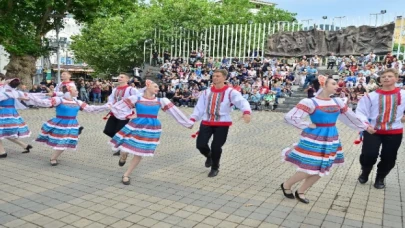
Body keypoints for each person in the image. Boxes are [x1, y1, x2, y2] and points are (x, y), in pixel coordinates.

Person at [281, 75, 371, 204]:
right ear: (323, 85)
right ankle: (286, 185)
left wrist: (365, 127)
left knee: (322, 167)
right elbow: (290, 117)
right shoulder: (309, 102)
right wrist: (306, 124)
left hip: (331, 137)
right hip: (314, 137)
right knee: (310, 167)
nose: (337, 86)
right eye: (334, 84)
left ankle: (301, 191)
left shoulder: (338, 102)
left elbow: (350, 117)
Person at [109, 80, 194, 185]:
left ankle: (126, 174)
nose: (158, 88)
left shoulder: (161, 100)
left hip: (151, 127)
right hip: (136, 125)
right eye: (155, 86)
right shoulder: (137, 98)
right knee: (124, 147)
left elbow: (174, 112)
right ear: (148, 86)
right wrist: (129, 114)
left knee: (139, 152)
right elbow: (118, 107)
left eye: (158, 87)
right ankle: (123, 156)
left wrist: (187, 123)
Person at [190, 69, 252, 177]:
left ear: (224, 78)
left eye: (218, 76)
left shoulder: (231, 92)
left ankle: (215, 167)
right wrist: (193, 119)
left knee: (216, 146)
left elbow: (242, 101)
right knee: (200, 144)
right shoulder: (206, 92)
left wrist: (246, 112)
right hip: (207, 121)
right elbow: (199, 107)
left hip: (222, 123)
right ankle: (209, 156)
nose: (215, 78)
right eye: (214, 76)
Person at [27, 86, 110, 166]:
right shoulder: (59, 100)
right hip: (59, 123)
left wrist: (105, 107)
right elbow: (43, 103)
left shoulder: (77, 102)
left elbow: (91, 108)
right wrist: (31, 97)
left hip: (72, 124)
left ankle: (53, 158)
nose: (77, 92)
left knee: (65, 141)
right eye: (75, 90)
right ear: (69, 92)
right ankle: (53, 157)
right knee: (59, 140)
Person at [356, 69, 405, 189]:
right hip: (373, 131)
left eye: (389, 76)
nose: (386, 78)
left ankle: (380, 178)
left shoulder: (403, 95)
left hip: (394, 132)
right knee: (368, 154)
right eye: (383, 76)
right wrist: (367, 126)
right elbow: (361, 112)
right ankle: (365, 172)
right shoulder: (371, 96)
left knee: (389, 157)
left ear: (396, 78)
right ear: (380, 79)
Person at [103, 73, 140, 156]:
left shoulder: (131, 89)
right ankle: (124, 142)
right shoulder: (115, 89)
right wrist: (110, 104)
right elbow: (111, 98)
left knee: (119, 131)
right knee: (108, 130)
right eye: (119, 77)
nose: (119, 78)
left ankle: (121, 147)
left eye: (122, 77)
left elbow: (139, 97)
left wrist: (132, 104)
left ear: (127, 79)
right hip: (114, 113)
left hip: (125, 115)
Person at [0, 78, 33, 158]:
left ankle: (2, 152)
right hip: (11, 112)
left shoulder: (3, 91)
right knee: (6, 133)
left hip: (3, 112)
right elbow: (25, 97)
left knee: (3, 132)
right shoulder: (14, 92)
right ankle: (25, 145)